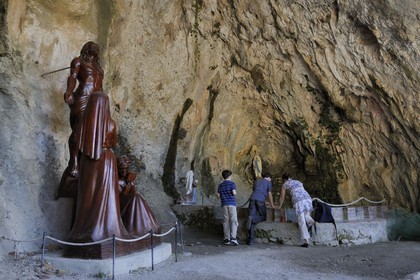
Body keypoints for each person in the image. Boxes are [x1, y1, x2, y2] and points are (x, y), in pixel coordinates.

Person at [67, 92, 128, 242]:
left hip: (87, 161)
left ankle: (83, 230)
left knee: (87, 194)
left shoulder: (82, 121)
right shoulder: (111, 124)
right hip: (106, 160)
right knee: (105, 196)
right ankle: (107, 230)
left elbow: (76, 141)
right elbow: (113, 143)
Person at [58, 41, 104, 198]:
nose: (93, 52)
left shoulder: (98, 67)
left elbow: (100, 86)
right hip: (83, 99)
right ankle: (74, 163)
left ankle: (88, 162)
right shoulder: (78, 61)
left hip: (97, 102)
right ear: (86, 50)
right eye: (91, 50)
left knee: (94, 132)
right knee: (79, 129)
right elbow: (72, 77)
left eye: (95, 51)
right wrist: (69, 92)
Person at [117, 155, 161, 236]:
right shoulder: (116, 180)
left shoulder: (128, 178)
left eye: (126, 169)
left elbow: (133, 192)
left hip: (130, 202)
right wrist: (126, 190)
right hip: (120, 205)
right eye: (122, 169)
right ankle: (134, 229)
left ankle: (147, 226)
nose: (124, 172)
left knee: (137, 197)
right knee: (135, 198)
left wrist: (130, 184)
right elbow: (116, 197)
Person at [278, 173, 314, 247]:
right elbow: (302, 190)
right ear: (291, 177)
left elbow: (282, 197)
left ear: (284, 179)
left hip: (298, 200)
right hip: (307, 198)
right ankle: (310, 220)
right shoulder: (298, 182)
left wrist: (279, 206)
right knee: (306, 214)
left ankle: (306, 241)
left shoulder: (285, 184)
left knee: (301, 221)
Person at [247, 172, 275, 245]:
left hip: (252, 200)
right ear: (269, 178)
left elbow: (256, 191)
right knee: (263, 217)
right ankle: (253, 219)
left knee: (251, 219)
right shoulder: (268, 182)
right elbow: (269, 194)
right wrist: (272, 205)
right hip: (260, 200)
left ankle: (251, 240)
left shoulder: (257, 181)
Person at [217, 170, 239, 245]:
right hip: (231, 204)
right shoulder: (232, 184)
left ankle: (227, 239)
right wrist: (234, 192)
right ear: (229, 176)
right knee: (234, 221)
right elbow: (234, 193)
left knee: (226, 221)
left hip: (224, 205)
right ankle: (233, 238)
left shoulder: (220, 185)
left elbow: (218, 195)